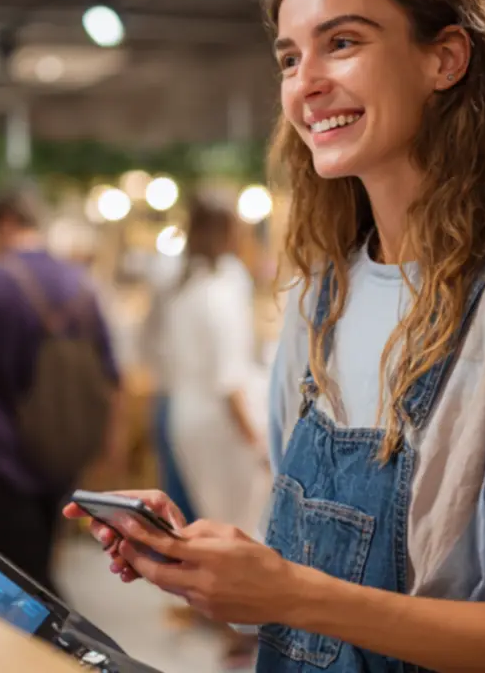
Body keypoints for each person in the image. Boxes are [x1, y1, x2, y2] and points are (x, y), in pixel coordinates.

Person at [64, 0, 485, 673]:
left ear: (444, 59)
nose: (306, 83)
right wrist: (213, 566)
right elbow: (302, 575)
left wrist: (291, 595)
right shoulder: (319, 300)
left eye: (342, 42)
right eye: (289, 57)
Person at [0, 189, 121, 599]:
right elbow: (111, 374)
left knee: (22, 585)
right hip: (62, 454)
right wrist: (108, 443)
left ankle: (62, 639)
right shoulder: (81, 281)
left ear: (2, 223)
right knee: (38, 565)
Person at [147, 197, 271, 665]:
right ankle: (238, 626)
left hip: (186, 414)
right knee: (237, 524)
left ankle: (221, 617)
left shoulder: (183, 283)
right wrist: (257, 439)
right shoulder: (219, 288)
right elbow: (229, 379)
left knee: (214, 515)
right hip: (221, 423)